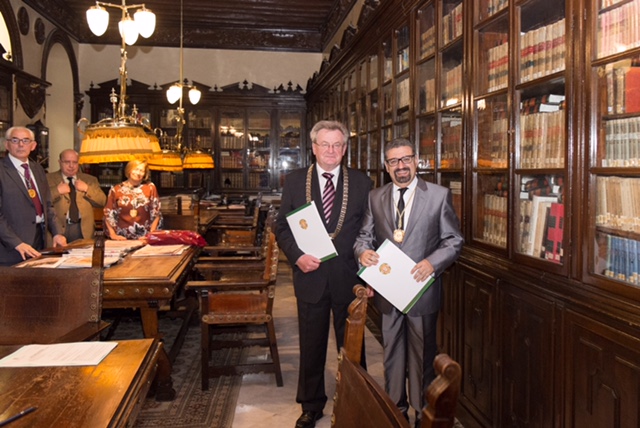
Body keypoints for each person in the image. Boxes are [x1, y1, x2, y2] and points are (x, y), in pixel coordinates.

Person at [354, 138, 463, 427]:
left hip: (421, 292)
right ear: (386, 166)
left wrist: (432, 263)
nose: (400, 166)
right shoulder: (375, 197)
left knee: (422, 358)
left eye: (405, 159)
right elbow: (364, 237)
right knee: (391, 355)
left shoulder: (439, 196)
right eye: (393, 161)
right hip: (388, 293)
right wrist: (362, 253)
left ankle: (420, 415)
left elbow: (453, 241)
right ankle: (395, 413)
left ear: (416, 161)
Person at [275, 120, 371, 428]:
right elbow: (281, 227)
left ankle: (357, 401)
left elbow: (370, 232)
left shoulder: (362, 182)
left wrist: (370, 276)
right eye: (325, 144)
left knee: (354, 346)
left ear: (345, 148)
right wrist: (297, 257)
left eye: (337, 145)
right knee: (311, 344)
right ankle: (311, 405)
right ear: (314, 148)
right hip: (310, 276)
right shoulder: (295, 181)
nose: (331, 150)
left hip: (349, 278)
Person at [0, 126, 66, 265]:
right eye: (15, 140)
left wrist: (57, 233)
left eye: (25, 140)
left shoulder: (38, 169)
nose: (21, 145)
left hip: (39, 241)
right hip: (10, 248)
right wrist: (16, 243)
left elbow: (48, 205)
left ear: (33, 145)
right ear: (7, 144)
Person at [46, 149, 107, 243]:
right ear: (59, 162)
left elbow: (102, 201)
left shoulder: (90, 180)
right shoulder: (48, 179)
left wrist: (87, 189)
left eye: (74, 162)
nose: (71, 166)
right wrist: (57, 191)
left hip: (82, 229)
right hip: (57, 230)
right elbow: (40, 201)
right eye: (67, 162)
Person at [103, 159, 161, 240]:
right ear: (129, 170)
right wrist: (113, 235)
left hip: (144, 237)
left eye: (141, 171)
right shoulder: (116, 190)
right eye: (136, 169)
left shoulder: (150, 187)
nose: (138, 173)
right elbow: (108, 214)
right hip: (121, 238)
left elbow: (156, 213)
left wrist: (151, 235)